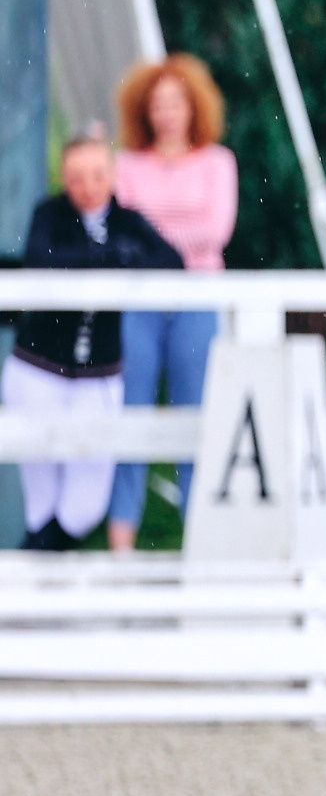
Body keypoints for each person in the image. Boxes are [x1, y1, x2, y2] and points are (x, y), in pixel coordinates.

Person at [7, 131, 183, 549]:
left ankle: (29, 573)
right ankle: (44, 600)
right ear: (65, 179)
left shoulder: (128, 220)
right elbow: (41, 259)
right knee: (41, 498)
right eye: (77, 177)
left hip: (99, 371)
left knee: (85, 504)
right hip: (39, 367)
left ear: (112, 174)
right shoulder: (50, 214)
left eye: (96, 175)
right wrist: (112, 257)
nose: (87, 187)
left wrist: (122, 254)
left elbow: (171, 262)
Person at [105, 55, 237, 552]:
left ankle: (198, 540)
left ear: (192, 107)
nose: (166, 114)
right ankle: (122, 545)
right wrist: (178, 239)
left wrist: (153, 235)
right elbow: (123, 235)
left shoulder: (217, 163)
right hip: (138, 303)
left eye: (175, 103)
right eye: (156, 104)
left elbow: (217, 232)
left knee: (197, 416)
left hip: (198, 301)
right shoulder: (127, 165)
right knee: (130, 416)